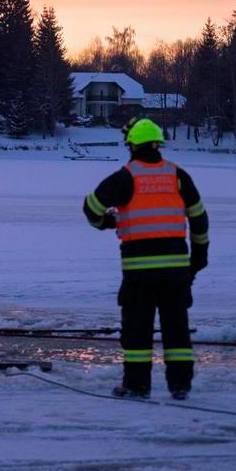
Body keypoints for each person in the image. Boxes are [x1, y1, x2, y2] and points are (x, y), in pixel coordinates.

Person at [83, 118, 209, 400]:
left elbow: (90, 207)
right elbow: (199, 218)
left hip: (139, 274)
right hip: (176, 273)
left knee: (137, 332)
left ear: (132, 145)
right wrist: (198, 258)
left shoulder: (126, 177)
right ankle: (180, 386)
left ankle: (137, 386)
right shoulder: (177, 175)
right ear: (157, 144)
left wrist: (109, 222)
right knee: (177, 330)